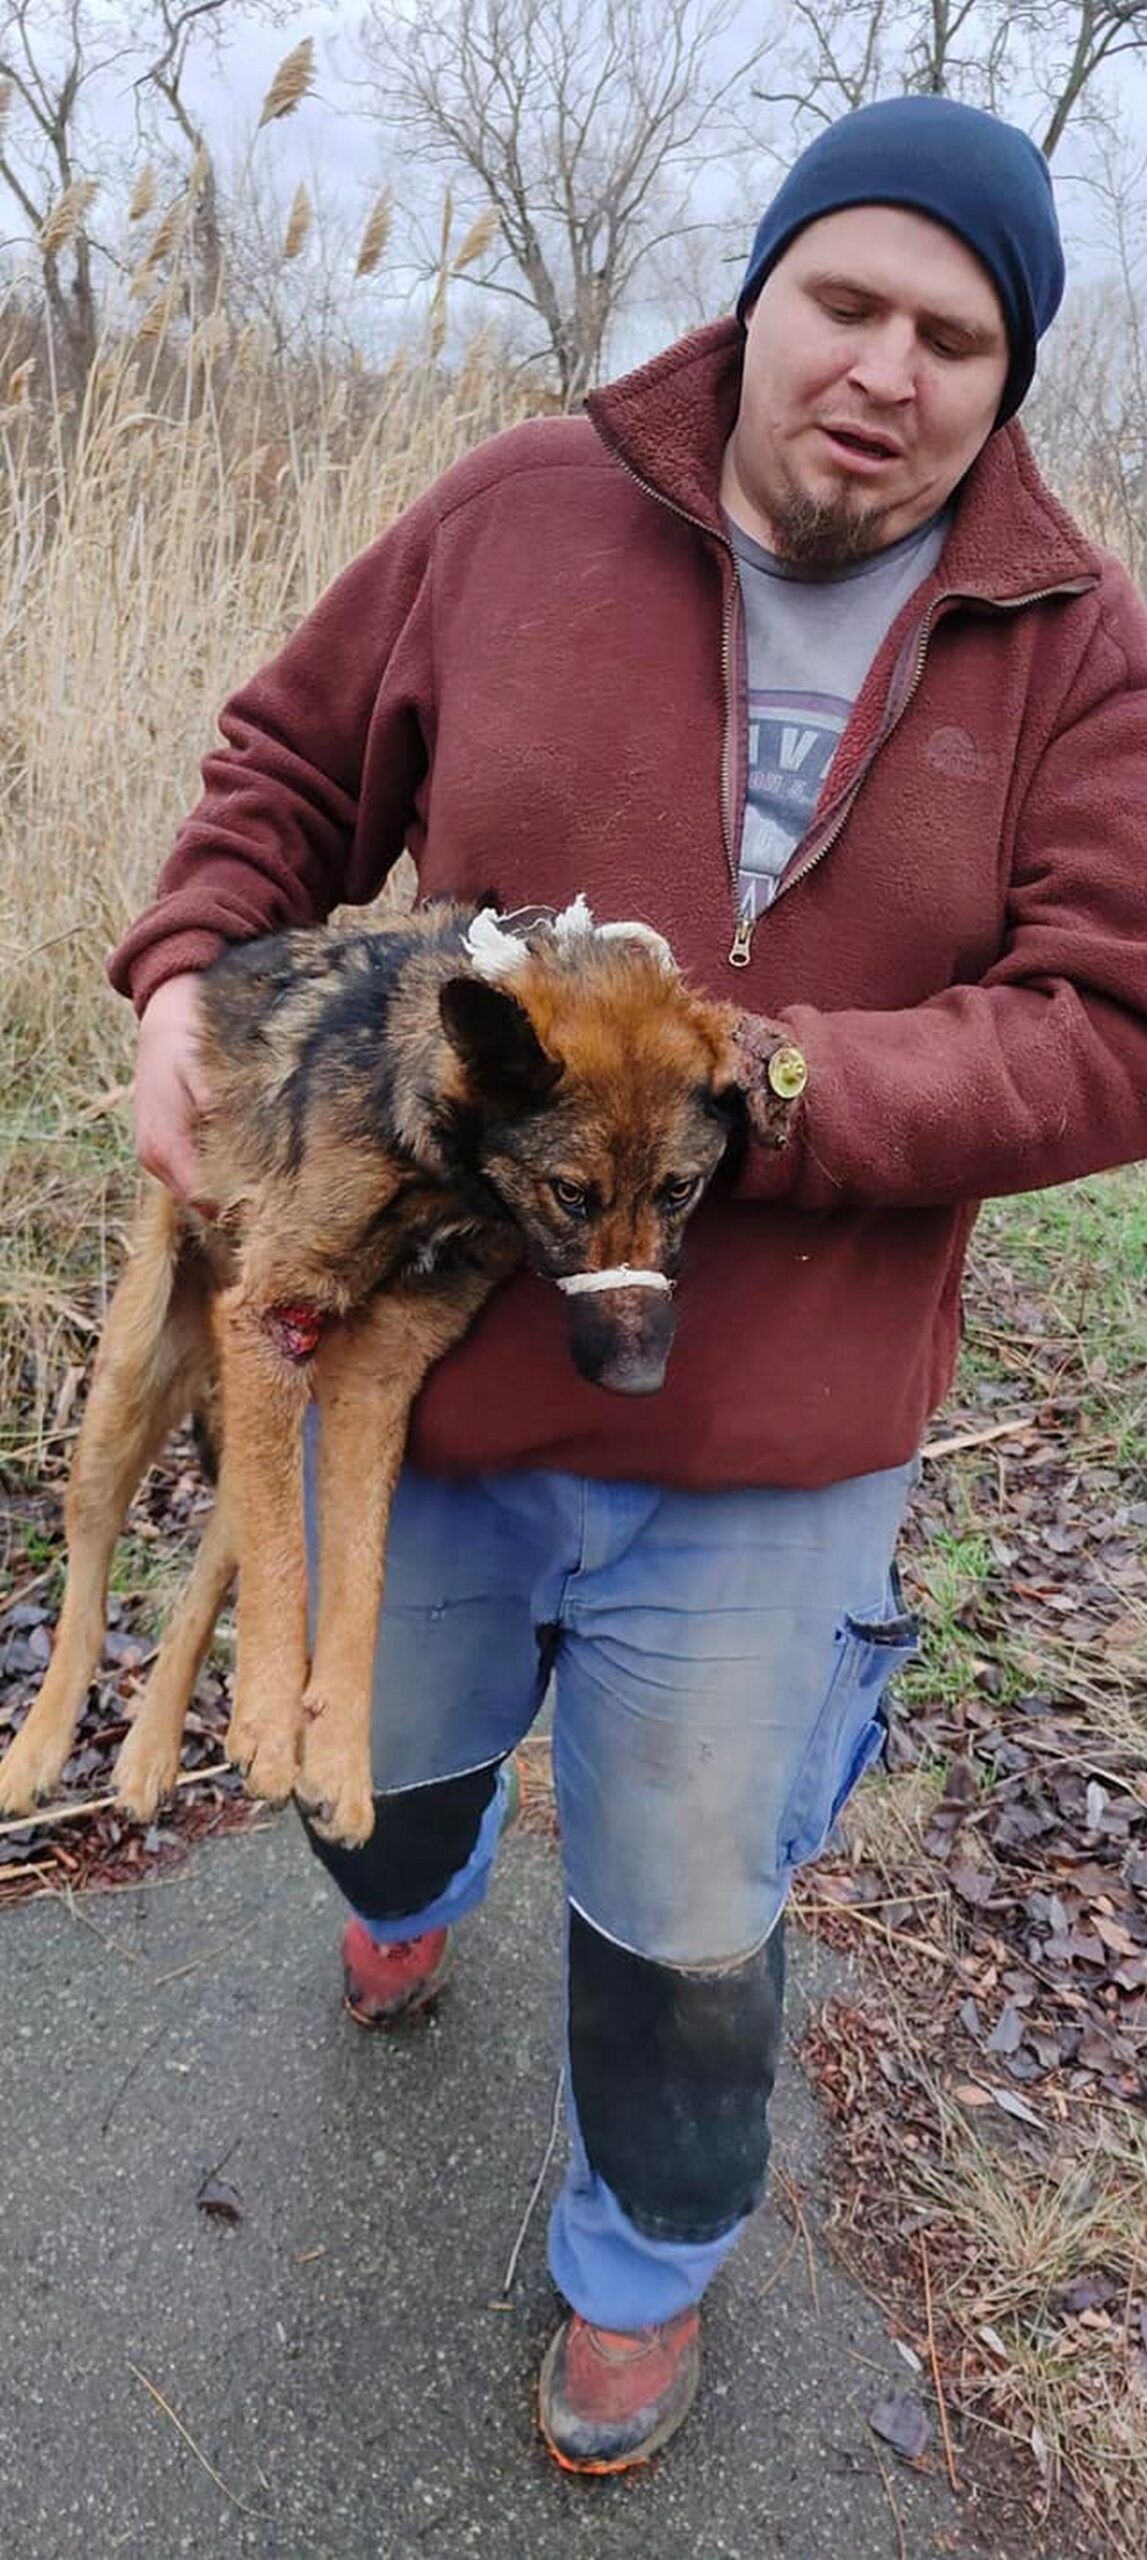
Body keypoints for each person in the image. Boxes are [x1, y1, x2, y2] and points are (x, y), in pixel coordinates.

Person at [110, 94, 1147, 2475]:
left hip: (773, 1436)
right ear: (755, 301)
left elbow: (1108, 1021)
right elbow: (278, 767)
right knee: (376, 1787)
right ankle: (409, 1868)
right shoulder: (517, 511)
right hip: (436, 1372)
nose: (883, 371)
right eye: (846, 305)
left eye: (952, 337)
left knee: (689, 1923)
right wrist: (182, 970)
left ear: (1007, 382)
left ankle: (640, 2269)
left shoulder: (1073, 643)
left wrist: (761, 1083)